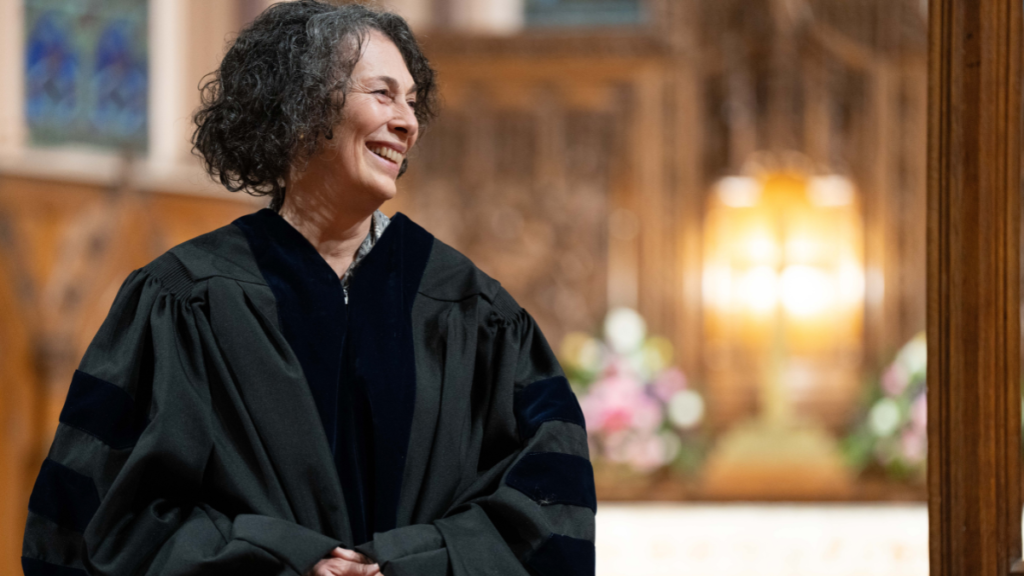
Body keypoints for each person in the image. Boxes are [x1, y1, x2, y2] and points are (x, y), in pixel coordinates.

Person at [21, 2, 595, 576]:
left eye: (412, 102)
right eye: (382, 94)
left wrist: (407, 565)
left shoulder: (475, 312)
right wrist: (280, 562)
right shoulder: (183, 299)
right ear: (300, 106)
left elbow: (547, 512)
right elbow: (101, 522)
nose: (407, 122)